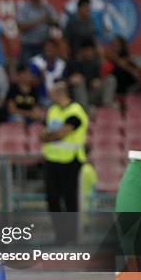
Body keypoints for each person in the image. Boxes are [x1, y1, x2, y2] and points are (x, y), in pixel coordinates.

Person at [40, 80, 88, 214]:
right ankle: (59, 233)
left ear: (61, 93)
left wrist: (49, 135)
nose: (50, 95)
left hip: (71, 161)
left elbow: (61, 134)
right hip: (51, 160)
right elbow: (41, 134)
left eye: (52, 92)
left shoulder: (76, 111)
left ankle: (71, 233)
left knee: (70, 200)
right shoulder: (52, 110)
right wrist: (52, 135)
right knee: (52, 199)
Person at [65, 38, 115, 111]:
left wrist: (97, 81)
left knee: (111, 79)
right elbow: (64, 81)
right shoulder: (73, 63)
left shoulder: (95, 63)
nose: (89, 53)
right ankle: (85, 108)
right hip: (78, 97)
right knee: (79, 81)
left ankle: (107, 103)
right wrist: (70, 80)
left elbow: (98, 78)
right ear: (81, 51)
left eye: (91, 50)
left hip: (91, 94)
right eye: (86, 50)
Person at [16, 0, 59, 65]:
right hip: (28, 46)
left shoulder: (47, 7)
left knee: (43, 69)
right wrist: (40, 20)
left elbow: (56, 23)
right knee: (27, 69)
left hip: (44, 45)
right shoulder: (23, 8)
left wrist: (49, 21)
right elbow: (21, 26)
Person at [29, 38, 66, 106]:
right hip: (41, 98)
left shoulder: (61, 64)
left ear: (56, 49)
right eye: (47, 47)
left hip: (58, 97)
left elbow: (64, 83)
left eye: (52, 47)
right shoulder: (35, 62)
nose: (49, 49)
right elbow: (31, 83)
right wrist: (41, 77)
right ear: (43, 49)